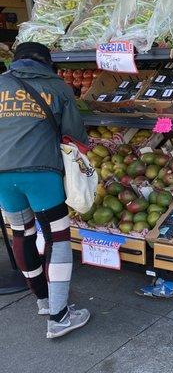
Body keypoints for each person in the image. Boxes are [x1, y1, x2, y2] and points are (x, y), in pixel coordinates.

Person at [0, 42, 90, 338]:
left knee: (21, 232)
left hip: (1, 174)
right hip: (41, 172)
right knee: (57, 238)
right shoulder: (58, 87)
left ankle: (42, 300)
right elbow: (75, 136)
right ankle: (60, 317)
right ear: (46, 63)